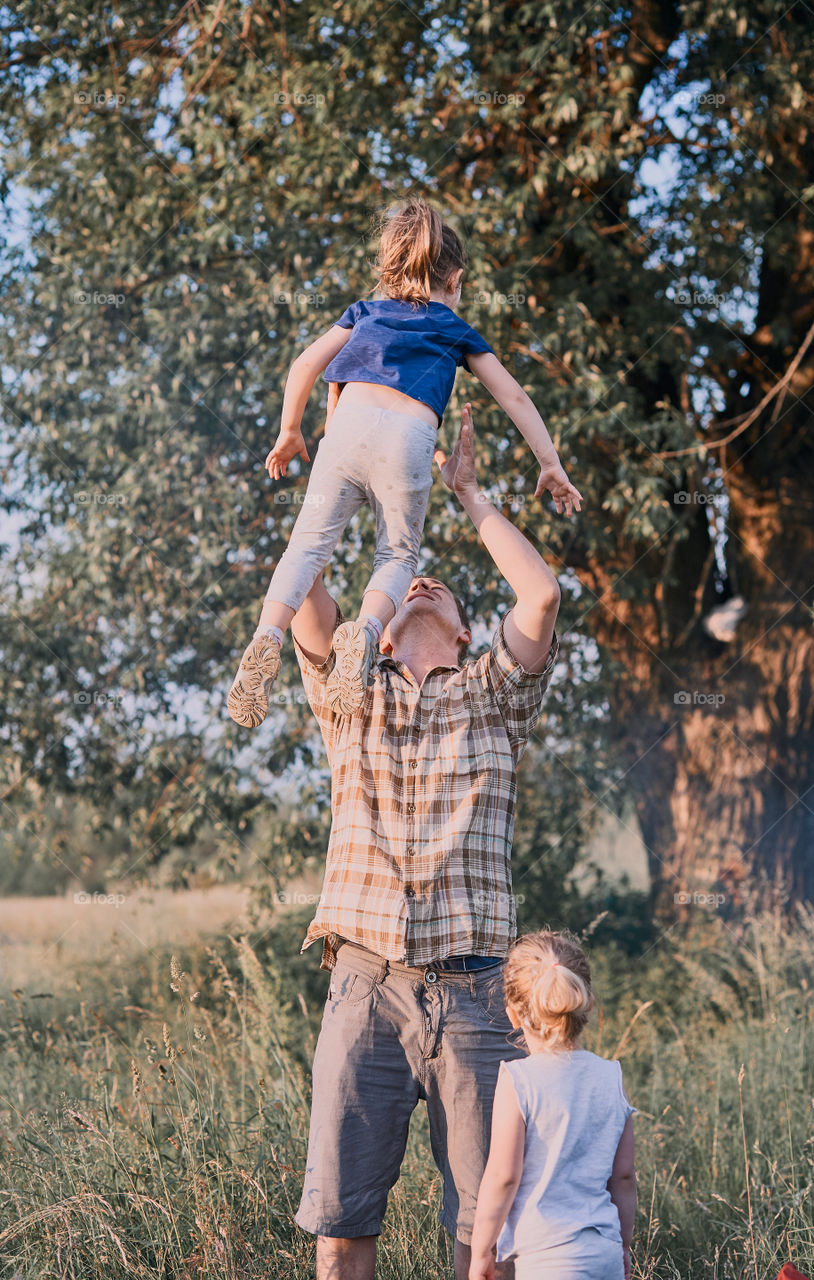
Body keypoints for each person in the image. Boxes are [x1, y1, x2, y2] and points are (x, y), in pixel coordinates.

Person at [289, 405, 564, 1280]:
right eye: (411, 581)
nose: (420, 585)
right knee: (341, 1230)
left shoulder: (494, 695)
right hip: (364, 984)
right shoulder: (348, 690)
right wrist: (339, 462)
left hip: (480, 995)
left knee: (486, 1238)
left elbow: (541, 595)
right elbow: (305, 593)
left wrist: (471, 495)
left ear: (464, 633)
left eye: (438, 590)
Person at [227, 196, 581, 727]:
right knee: (396, 555)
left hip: (345, 425)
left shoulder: (364, 312)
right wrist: (549, 463)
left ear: (388, 268)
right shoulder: (453, 327)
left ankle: (267, 637)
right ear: (455, 279)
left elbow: (303, 364)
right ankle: (367, 636)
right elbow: (514, 398)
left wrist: (289, 430)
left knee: (307, 545)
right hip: (411, 436)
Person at [469, 930, 637, 1280]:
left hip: (548, 1259)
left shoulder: (518, 1080)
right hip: (604, 1250)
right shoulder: (611, 1076)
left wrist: (482, 1251)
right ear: (585, 1001)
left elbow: (503, 1177)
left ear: (513, 1013)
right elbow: (623, 1177)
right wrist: (622, 1245)